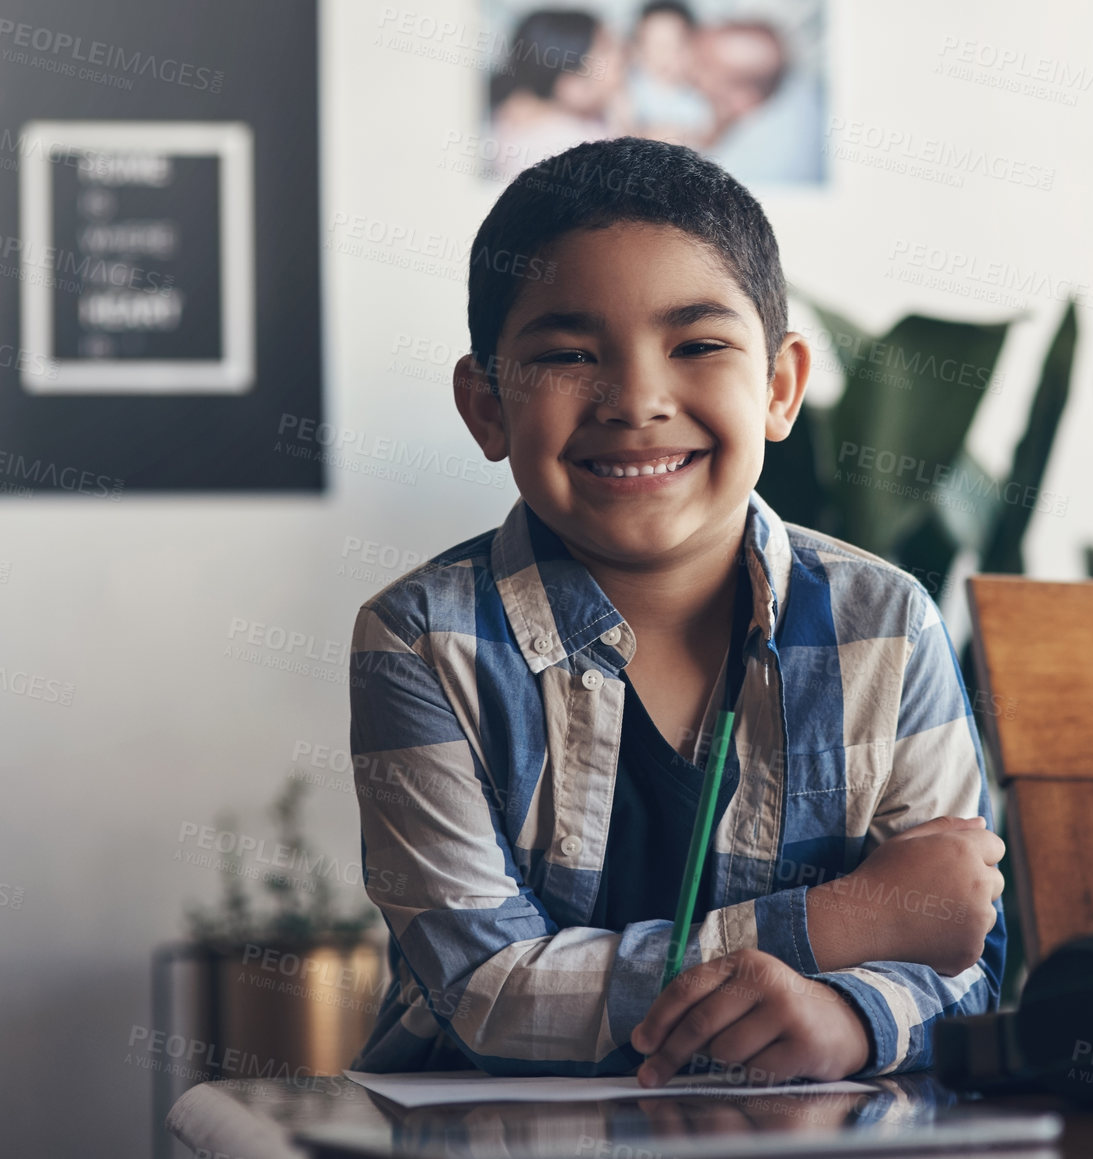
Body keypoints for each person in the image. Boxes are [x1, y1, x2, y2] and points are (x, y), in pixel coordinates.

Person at [347, 137, 1006, 1082]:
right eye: (570, 353)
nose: (638, 400)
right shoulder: (421, 640)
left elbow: (962, 953)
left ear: (779, 387)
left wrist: (850, 1021)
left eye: (696, 346)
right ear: (486, 407)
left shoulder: (887, 624)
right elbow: (484, 988)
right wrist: (842, 923)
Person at [488, 10, 627, 182]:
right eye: (606, 48)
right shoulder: (564, 146)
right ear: (571, 84)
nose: (621, 56)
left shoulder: (592, 119)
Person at [691, 21, 823, 185]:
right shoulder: (788, 87)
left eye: (702, 68)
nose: (692, 73)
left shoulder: (746, 171)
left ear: (742, 100)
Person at [623, 1, 713, 145]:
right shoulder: (626, 90)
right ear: (637, 48)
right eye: (655, 46)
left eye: (675, 45)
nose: (664, 56)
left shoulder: (699, 98)